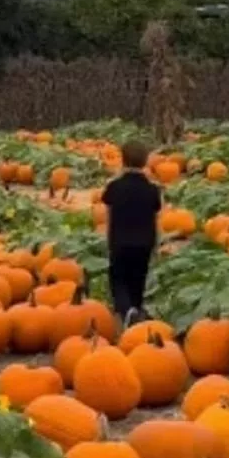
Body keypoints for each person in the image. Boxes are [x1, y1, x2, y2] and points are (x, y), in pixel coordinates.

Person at [102, 141, 162, 328]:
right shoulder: (152, 190)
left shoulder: (114, 187)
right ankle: (135, 309)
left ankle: (127, 310)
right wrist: (157, 243)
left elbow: (109, 215)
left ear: (123, 161)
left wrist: (108, 238)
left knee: (118, 279)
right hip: (144, 242)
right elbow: (156, 218)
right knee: (138, 278)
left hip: (120, 241)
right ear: (145, 162)